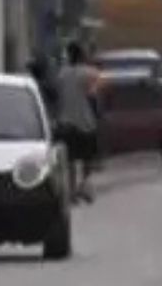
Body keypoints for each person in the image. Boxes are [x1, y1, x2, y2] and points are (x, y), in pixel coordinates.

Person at [52, 43, 104, 204]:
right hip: (85, 123)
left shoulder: (61, 74)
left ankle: (72, 192)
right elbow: (96, 92)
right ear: (82, 56)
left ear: (68, 56)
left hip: (66, 123)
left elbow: (57, 97)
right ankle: (84, 185)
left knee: (70, 161)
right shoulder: (90, 73)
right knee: (88, 158)